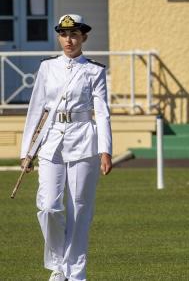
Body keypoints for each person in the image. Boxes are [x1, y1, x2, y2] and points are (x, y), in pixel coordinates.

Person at [18, 14, 112, 281]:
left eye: (74, 35)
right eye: (63, 35)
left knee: (80, 208)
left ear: (83, 37)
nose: (68, 40)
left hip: (83, 140)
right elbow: (36, 109)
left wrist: (106, 150)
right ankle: (59, 264)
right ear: (59, 37)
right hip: (52, 141)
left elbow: (102, 112)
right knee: (48, 207)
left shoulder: (94, 70)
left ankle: (76, 272)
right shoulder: (48, 68)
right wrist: (27, 151)